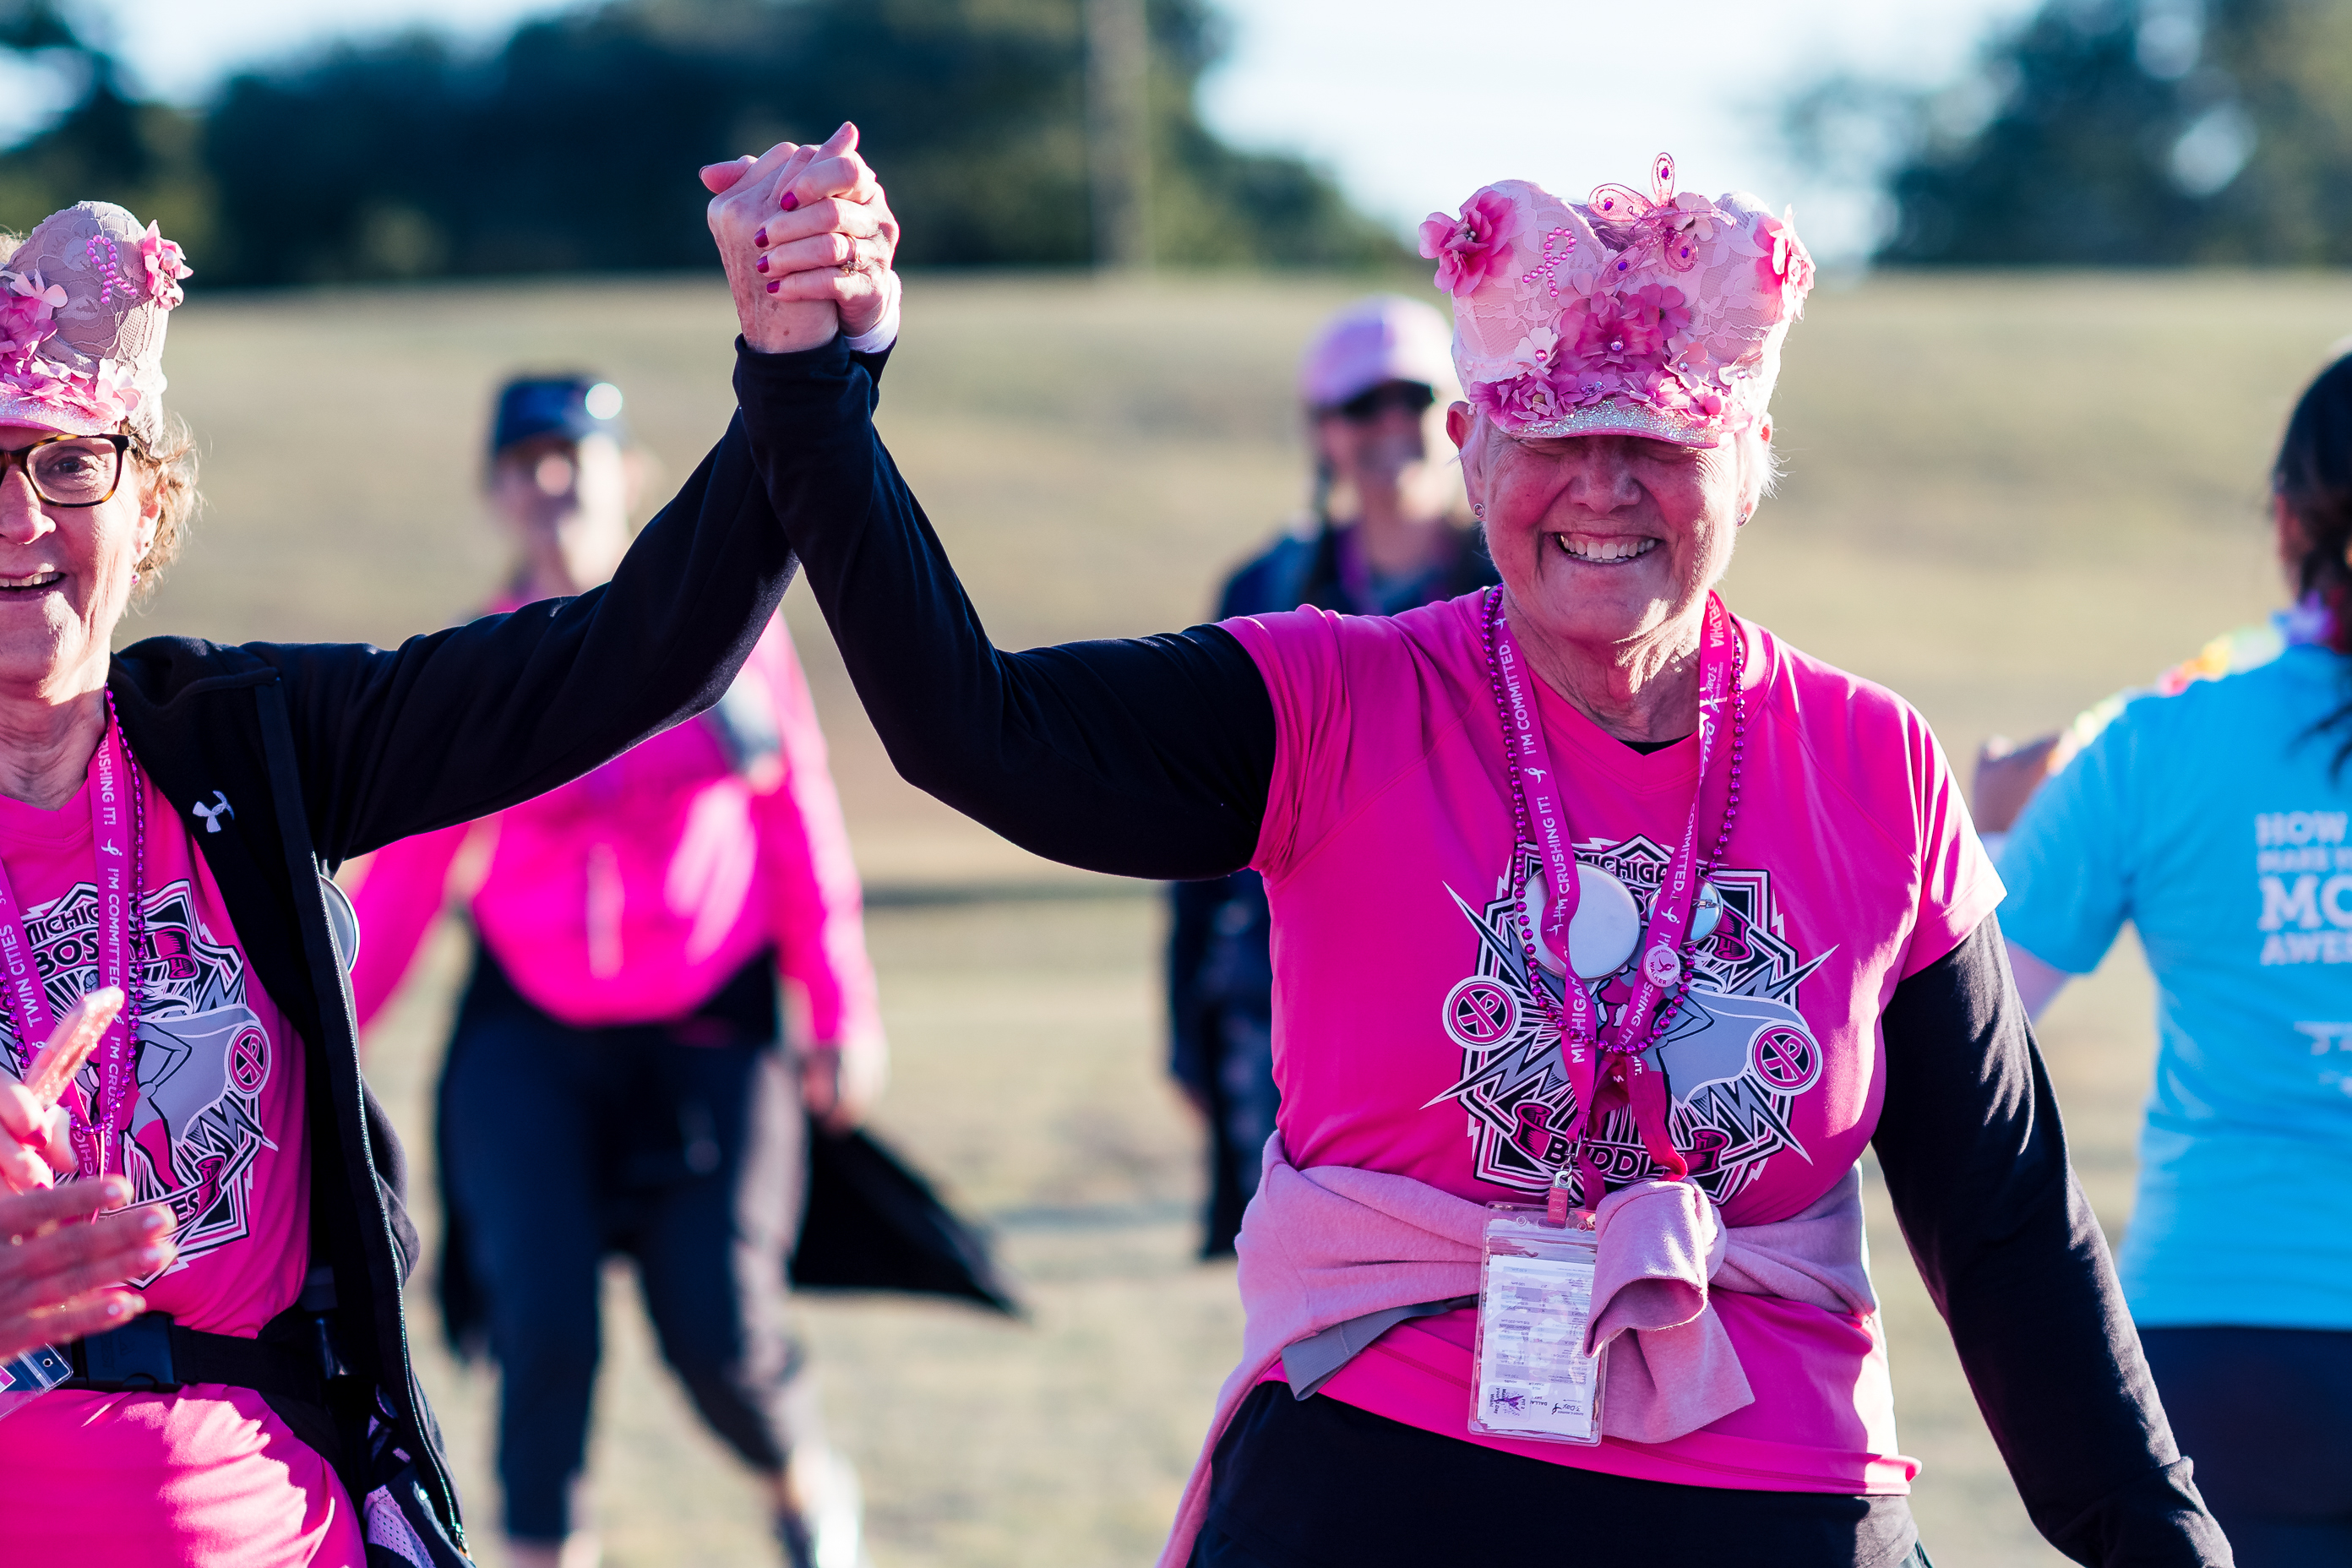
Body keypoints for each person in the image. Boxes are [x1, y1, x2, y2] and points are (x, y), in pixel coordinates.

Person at [717, 149, 2235, 1566]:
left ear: (1748, 459)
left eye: (1658, 439)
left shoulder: (1871, 764)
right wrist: (818, 381)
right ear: (1470, 445)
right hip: (1383, 1465)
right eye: (1554, 435)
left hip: (1774, 1481)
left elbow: (2004, 1223)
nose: (1602, 484)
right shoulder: (1333, 700)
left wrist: (2163, 1542)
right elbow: (973, 729)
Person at [0, 123, 901, 1566]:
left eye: (66, 464)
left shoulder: (248, 740)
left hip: (278, 1518)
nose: (19, 520)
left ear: (145, 497)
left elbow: (628, 658)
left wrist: (798, 367)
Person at [342, 370, 886, 1568]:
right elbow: (412, 876)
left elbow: (801, 822)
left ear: (628, 474)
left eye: (572, 454)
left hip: (711, 1020)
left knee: (719, 1329)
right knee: (544, 1328)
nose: (550, 482)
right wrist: (315, 1036)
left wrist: (839, 1006)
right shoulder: (481, 660)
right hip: (532, 1030)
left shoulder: (730, 633)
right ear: (496, 492)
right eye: (523, 462)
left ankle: (801, 1479)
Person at [1995, 351, 2352, 1566]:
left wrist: (2001, 834)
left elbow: (1968, 1020)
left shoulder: (2155, 745)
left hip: (2224, 1342)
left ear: (2287, 519)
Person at [1168, 296, 1497, 1256]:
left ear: (1460, 416)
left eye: (1413, 398)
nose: (1391, 424)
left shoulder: (1522, 582)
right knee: (1301, 1271)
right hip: (1286, 994)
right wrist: (1188, 1017)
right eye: (1361, 406)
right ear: (1324, 432)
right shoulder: (1262, 593)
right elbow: (1203, 815)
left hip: (1477, 986)